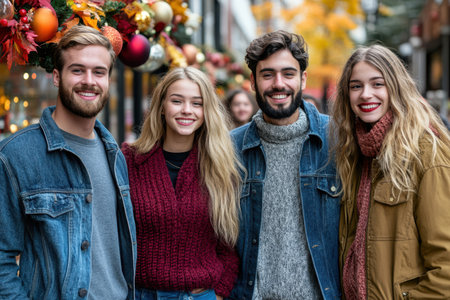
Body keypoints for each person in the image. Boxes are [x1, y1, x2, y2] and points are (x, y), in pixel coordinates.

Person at [0, 25, 137, 299]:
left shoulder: (116, 155)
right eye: (77, 70)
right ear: (56, 76)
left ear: (109, 80)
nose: (89, 80)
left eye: (99, 72)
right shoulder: (16, 154)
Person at [228, 30, 341, 299]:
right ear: (253, 82)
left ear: (302, 78)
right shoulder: (231, 148)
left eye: (288, 74)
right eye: (267, 75)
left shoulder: (336, 140)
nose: (279, 84)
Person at [331, 45, 450, 299]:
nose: (365, 94)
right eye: (356, 86)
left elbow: (446, 264)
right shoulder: (354, 153)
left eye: (377, 84)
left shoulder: (426, 151)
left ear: (396, 87)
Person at [122, 67, 241, 300]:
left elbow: (228, 245)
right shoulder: (128, 161)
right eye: (177, 101)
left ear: (207, 111)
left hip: (201, 296)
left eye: (197, 103)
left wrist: (218, 295)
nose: (187, 110)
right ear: (162, 107)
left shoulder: (220, 166)